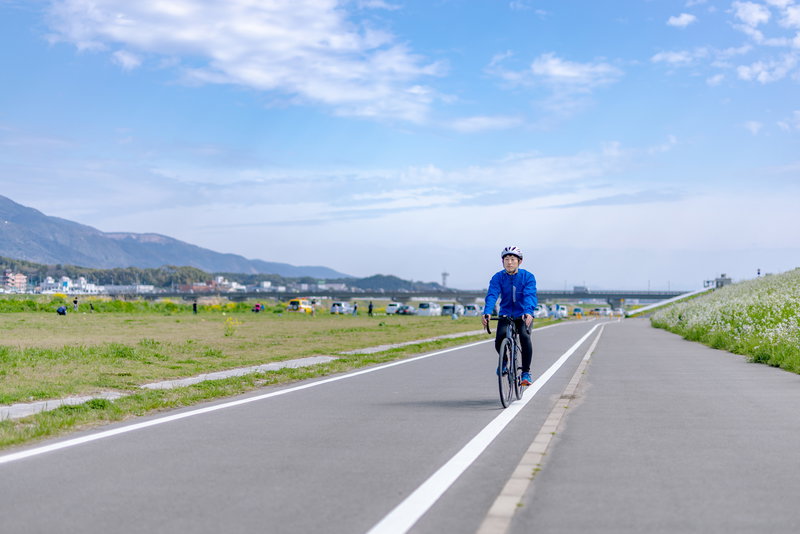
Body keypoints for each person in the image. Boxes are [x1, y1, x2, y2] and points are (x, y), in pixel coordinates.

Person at [482, 246, 538, 386]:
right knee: (499, 338)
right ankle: (505, 361)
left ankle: (526, 372)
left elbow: (529, 295)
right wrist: (487, 312)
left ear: (520, 261)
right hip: (505, 314)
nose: (510, 262)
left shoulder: (528, 277)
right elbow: (492, 294)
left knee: (525, 338)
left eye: (513, 259)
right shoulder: (498, 277)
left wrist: (528, 312)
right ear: (503, 261)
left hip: (523, 315)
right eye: (506, 259)